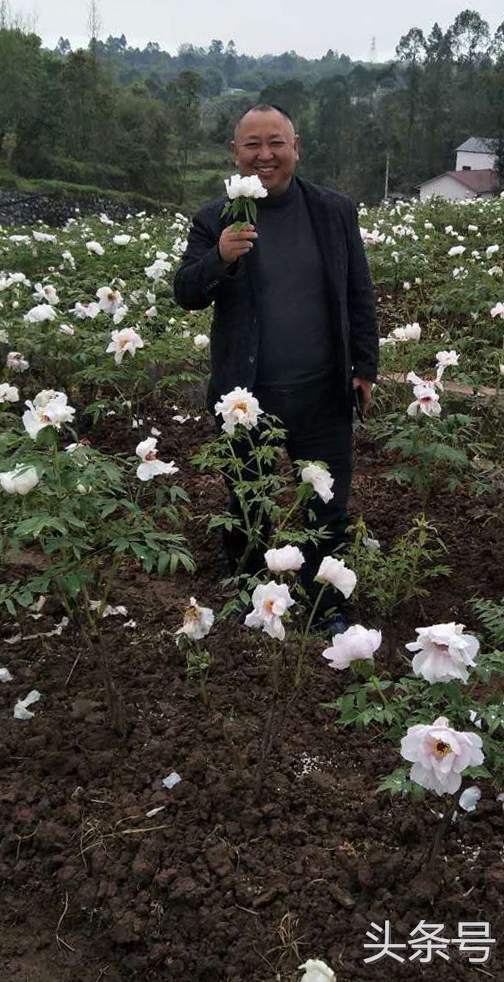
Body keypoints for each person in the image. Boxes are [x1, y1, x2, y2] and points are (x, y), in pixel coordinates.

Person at [173, 103, 378, 625]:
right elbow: (186, 293)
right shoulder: (213, 218)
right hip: (247, 397)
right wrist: (219, 256)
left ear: (296, 146)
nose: (265, 156)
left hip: (322, 391)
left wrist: (364, 367)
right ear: (235, 153)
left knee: (326, 506)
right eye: (252, 145)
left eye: (276, 143)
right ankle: (253, 596)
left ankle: (327, 604)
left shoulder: (333, 211)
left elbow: (358, 293)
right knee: (248, 502)